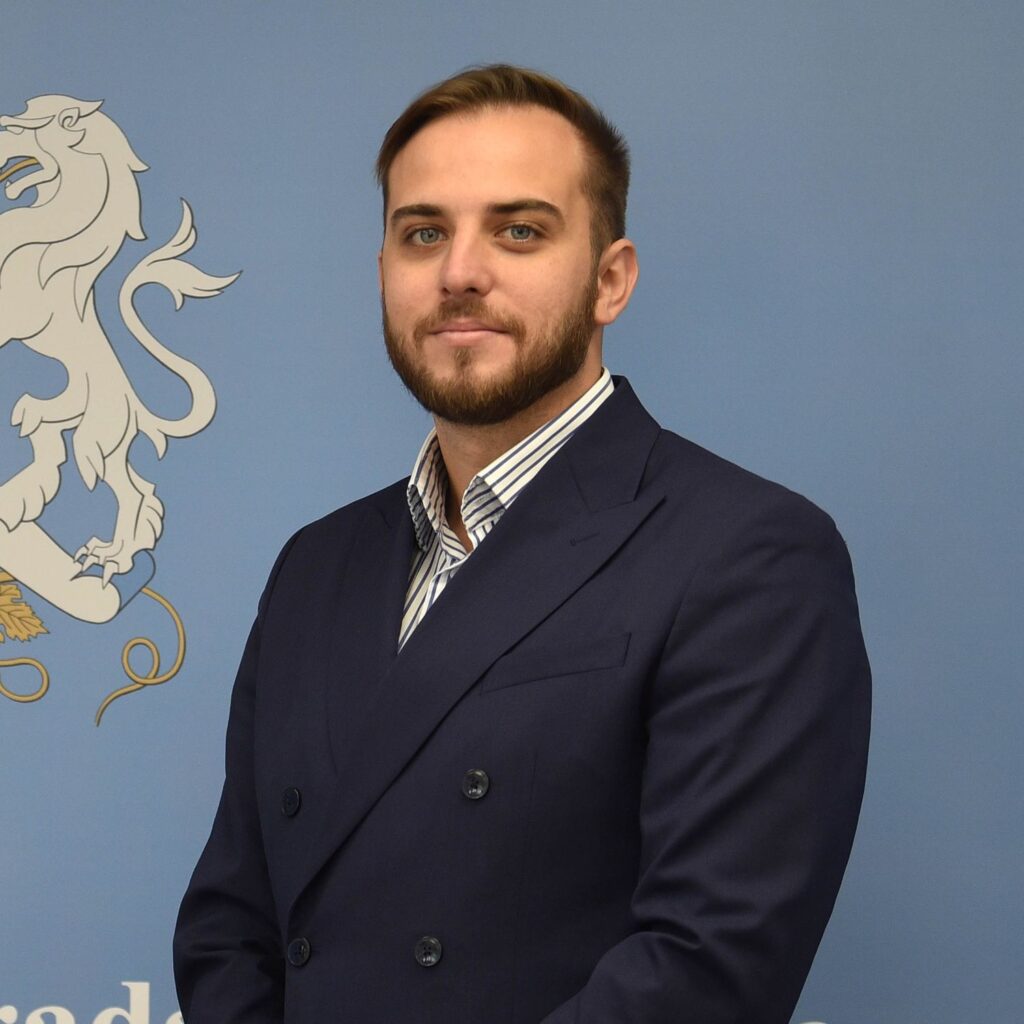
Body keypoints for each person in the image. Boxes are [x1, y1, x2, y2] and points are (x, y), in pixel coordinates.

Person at [173, 64, 871, 1023]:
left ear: (610, 280)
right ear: (383, 274)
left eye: (519, 231)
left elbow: (709, 964)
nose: (460, 272)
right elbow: (229, 925)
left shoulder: (749, 554)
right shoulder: (315, 566)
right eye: (424, 233)